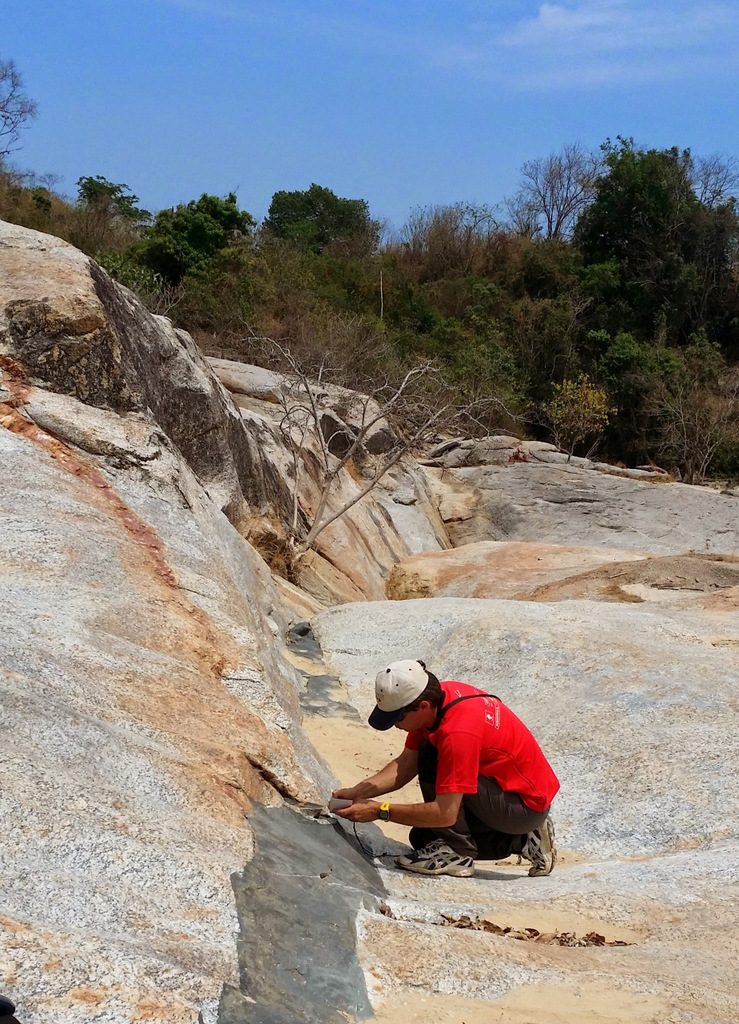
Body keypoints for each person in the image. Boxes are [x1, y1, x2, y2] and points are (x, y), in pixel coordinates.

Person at [334, 659, 560, 878]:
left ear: (422, 706)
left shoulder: (456, 733)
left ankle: (457, 854)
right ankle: (524, 840)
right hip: (508, 796)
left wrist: (378, 810)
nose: (395, 725)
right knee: (423, 838)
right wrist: (358, 792)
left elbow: (445, 813)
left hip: (523, 805)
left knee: (432, 755)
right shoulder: (438, 698)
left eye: (397, 717)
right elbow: (405, 764)